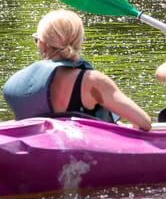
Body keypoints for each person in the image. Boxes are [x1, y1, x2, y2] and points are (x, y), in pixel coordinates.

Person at [3, 10, 152, 130]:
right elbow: (143, 122)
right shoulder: (92, 81)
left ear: (42, 45)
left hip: (38, 161)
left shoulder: (13, 84)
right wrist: (119, 130)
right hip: (88, 159)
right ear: (79, 42)